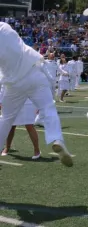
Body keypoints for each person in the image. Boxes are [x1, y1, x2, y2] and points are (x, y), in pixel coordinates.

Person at [0, 22, 73, 167]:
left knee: (6, 118)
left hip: (13, 83)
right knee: (48, 108)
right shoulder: (4, 27)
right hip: (33, 72)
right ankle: (57, 139)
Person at [0, 87, 41, 160]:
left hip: (27, 101)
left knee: (29, 125)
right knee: (11, 126)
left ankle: (37, 150)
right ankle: (7, 147)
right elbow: (4, 87)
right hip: (11, 101)